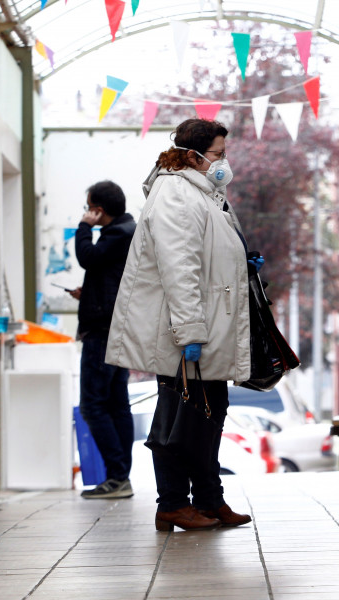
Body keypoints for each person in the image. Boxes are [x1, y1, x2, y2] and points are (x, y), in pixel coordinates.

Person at [106, 118, 259, 531]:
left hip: (206, 329)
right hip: (185, 334)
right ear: (193, 156)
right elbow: (180, 268)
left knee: (209, 414)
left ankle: (210, 499)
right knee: (180, 418)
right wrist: (190, 334)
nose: (224, 162)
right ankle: (172, 503)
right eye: (218, 154)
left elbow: (208, 258)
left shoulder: (203, 193)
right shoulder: (175, 194)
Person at [71, 180, 137, 499]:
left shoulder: (117, 234)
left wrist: (83, 228)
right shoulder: (127, 232)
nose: (87, 214)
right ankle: (120, 476)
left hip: (102, 331)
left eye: (89, 208)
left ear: (99, 209)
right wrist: (89, 293)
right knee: (116, 404)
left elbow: (88, 258)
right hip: (118, 328)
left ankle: (117, 476)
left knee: (93, 406)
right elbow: (109, 275)